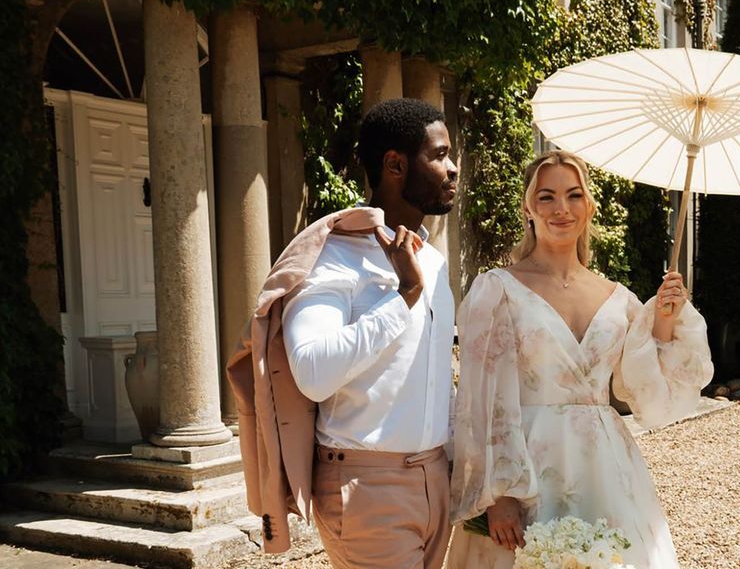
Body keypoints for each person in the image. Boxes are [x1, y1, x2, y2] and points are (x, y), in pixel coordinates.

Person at [446, 150, 713, 569]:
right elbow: (481, 401)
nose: (561, 209)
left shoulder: (619, 298)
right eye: (547, 196)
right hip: (527, 469)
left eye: (573, 196)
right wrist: (498, 493)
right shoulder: (496, 290)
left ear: (588, 206)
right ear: (528, 207)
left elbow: (646, 395)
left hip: (605, 471)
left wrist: (663, 321)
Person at [236, 97, 458, 568]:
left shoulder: (433, 262)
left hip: (437, 479)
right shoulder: (333, 256)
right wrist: (403, 297)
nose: (453, 168)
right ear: (394, 164)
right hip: (366, 488)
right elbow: (313, 371)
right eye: (439, 155)